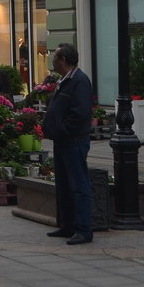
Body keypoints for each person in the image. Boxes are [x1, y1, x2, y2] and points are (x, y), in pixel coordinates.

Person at [43, 43, 94, 245]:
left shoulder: (79, 81)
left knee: (78, 185)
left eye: (54, 57)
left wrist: (62, 130)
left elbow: (80, 113)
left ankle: (83, 229)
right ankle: (68, 225)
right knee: (64, 184)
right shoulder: (64, 80)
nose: (52, 61)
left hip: (74, 141)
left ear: (63, 60)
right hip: (63, 141)